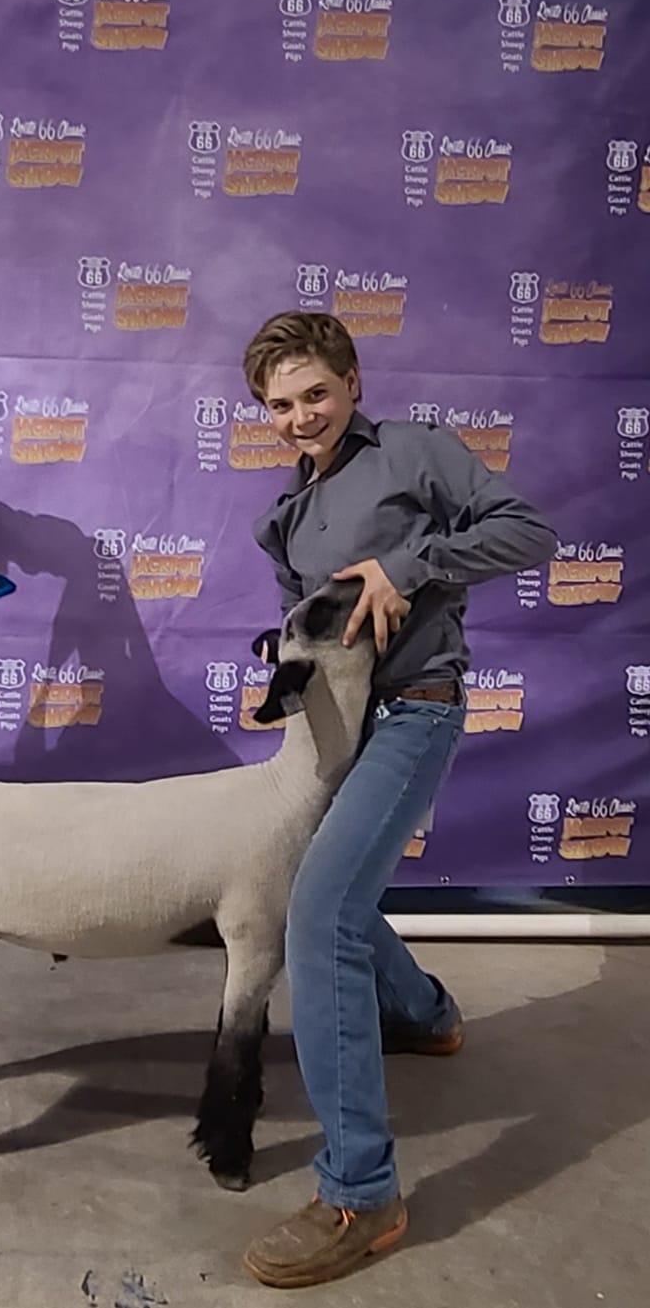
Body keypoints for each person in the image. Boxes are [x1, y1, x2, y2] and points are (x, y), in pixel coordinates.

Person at [236, 313, 556, 1289]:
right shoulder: (288, 517)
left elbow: (530, 530)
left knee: (320, 915)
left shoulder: (415, 450)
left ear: (353, 382)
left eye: (316, 393)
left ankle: (361, 1193)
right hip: (340, 727)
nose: (301, 415)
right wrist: (280, 670)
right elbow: (315, 633)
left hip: (417, 709)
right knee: (316, 883)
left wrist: (405, 566)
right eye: (281, 404)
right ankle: (422, 1011)